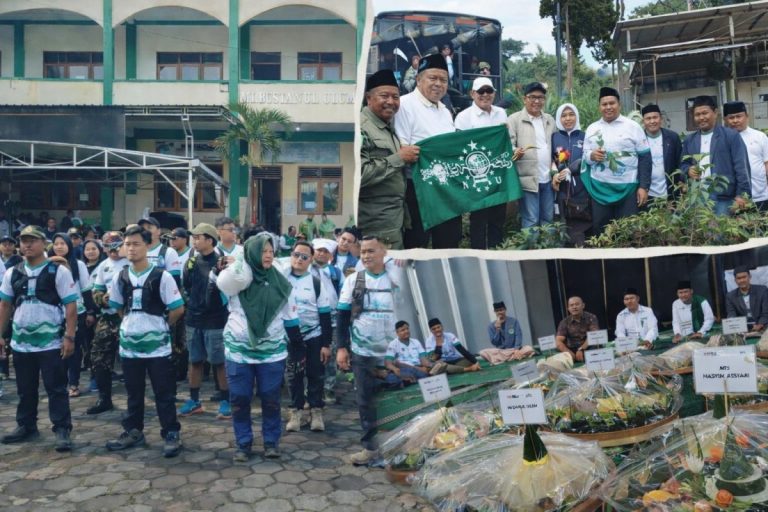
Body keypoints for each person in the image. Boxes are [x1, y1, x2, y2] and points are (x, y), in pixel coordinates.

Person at [215, 232, 304, 462]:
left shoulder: (281, 284)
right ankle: (243, 444)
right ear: (252, 253)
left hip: (271, 353)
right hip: (238, 352)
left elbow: (291, 319)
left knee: (271, 397)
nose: (267, 255)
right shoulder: (237, 281)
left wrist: (298, 349)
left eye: (271, 251)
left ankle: (271, 442)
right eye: (263, 251)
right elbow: (218, 293)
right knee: (240, 397)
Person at [104, 225, 184, 458]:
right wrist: (132, 326)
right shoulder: (122, 276)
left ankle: (170, 432)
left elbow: (177, 309)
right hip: (130, 347)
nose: (130, 248)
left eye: (136, 243)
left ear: (148, 246)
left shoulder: (162, 276)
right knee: (133, 392)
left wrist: (159, 326)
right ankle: (133, 430)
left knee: (164, 392)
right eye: (127, 244)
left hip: (157, 347)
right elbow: (118, 307)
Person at [0, 225, 78, 451]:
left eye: (33, 240)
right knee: (25, 387)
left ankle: (62, 428)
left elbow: (70, 305)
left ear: (44, 243)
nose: (27, 245)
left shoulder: (58, 271)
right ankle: (26, 425)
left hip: (51, 341)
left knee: (56, 387)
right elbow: (5, 305)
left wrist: (70, 336)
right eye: (23, 241)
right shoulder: (12, 272)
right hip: (22, 342)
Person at [336, 235, 400, 465]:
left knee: (395, 397)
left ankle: (398, 448)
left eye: (371, 251)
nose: (366, 255)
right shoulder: (354, 280)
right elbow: (342, 316)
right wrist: (341, 348)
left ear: (385, 252)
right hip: (362, 352)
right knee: (365, 400)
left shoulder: (397, 278)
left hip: (394, 353)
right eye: (363, 251)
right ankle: (371, 450)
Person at [394, 54, 458, 248]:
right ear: (419, 79)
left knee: (448, 242)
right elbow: (404, 148)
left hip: (445, 188)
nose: (438, 84)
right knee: (416, 243)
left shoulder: (445, 111)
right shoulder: (404, 105)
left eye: (443, 80)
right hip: (417, 188)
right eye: (433, 78)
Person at [360, 69, 420, 249]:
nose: (391, 102)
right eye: (384, 96)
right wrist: (399, 158)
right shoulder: (362, 128)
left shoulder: (386, 127)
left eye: (396, 97)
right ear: (368, 98)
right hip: (375, 229)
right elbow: (359, 175)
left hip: (395, 223)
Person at [178, 223, 231, 419]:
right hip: (194, 319)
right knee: (195, 360)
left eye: (198, 237)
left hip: (216, 320)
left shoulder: (222, 263)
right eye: (194, 237)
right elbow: (186, 288)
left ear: (210, 240)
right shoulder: (190, 263)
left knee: (219, 362)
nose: (194, 241)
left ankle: (226, 401)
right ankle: (194, 401)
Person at [582, 87, 652, 235]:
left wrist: (644, 187)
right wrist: (592, 156)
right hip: (599, 190)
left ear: (619, 105)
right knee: (602, 233)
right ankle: (605, 259)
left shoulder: (633, 127)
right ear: (599, 107)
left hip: (628, 190)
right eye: (604, 104)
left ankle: (628, 259)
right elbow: (585, 156)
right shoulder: (591, 129)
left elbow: (645, 158)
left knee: (628, 232)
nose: (608, 107)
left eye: (612, 103)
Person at [284, 240, 333, 432]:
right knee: (293, 375)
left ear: (311, 260)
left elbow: (325, 315)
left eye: (304, 257)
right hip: (290, 338)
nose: (299, 259)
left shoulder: (316, 283)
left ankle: (316, 412)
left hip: (313, 335)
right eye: (296, 255)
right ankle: (296, 412)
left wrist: (326, 344)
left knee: (315, 374)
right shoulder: (282, 279)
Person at [454, 77, 509, 249]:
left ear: (494, 93)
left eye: (489, 91)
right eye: (481, 91)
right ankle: (478, 256)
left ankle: (496, 253)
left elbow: (504, 140)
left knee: (497, 219)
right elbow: (459, 147)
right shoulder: (463, 117)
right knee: (478, 220)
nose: (485, 95)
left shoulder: (501, 113)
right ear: (472, 94)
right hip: (476, 177)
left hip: (498, 176)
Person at [681, 96, 750, 215]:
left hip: (724, 198)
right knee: (700, 233)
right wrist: (688, 170)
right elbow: (683, 164)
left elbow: (742, 168)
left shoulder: (730, 136)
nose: (701, 117)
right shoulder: (690, 140)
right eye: (697, 114)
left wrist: (742, 195)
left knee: (721, 233)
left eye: (705, 113)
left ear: (715, 113)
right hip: (698, 197)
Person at [87, 231, 129, 414]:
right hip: (107, 317)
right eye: (109, 248)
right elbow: (95, 292)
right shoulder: (103, 266)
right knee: (99, 358)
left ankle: (135, 399)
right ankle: (104, 398)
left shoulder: (130, 263)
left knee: (130, 360)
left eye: (117, 246)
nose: (114, 251)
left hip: (127, 317)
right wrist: (103, 299)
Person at [50, 233, 95, 398]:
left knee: (74, 350)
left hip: (77, 311)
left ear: (69, 245)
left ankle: (73, 383)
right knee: (56, 349)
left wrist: (91, 311)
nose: (59, 246)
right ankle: (59, 383)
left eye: (63, 243)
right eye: (56, 243)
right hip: (54, 313)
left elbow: (86, 290)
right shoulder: (48, 265)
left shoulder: (79, 265)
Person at [507, 82, 557, 228]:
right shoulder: (514, 119)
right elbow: (508, 144)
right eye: (532, 97)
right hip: (528, 179)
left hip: (548, 178)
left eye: (540, 98)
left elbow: (555, 146)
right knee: (531, 219)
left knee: (548, 218)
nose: (536, 101)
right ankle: (530, 249)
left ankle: (547, 248)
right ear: (524, 99)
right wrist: (514, 150)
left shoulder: (549, 120)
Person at [551, 103, 590, 246]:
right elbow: (551, 160)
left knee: (581, 225)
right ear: (558, 119)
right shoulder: (554, 137)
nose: (568, 118)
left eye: (571, 114)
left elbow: (588, 160)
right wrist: (554, 174)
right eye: (564, 115)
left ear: (577, 116)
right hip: (561, 190)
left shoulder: (584, 136)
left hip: (581, 189)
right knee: (563, 226)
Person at [312, 238, 343, 404]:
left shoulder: (336, 273)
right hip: (310, 319)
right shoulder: (305, 269)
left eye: (325, 251)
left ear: (330, 255)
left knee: (330, 356)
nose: (322, 254)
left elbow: (344, 293)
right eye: (319, 250)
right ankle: (310, 388)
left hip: (331, 321)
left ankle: (328, 388)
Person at [723, 101, 768, 211]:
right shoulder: (722, 140)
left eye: (739, 116)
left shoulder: (760, 136)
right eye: (731, 117)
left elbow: (766, 163)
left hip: (761, 196)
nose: (735, 120)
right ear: (725, 120)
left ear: (747, 116)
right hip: (734, 200)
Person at [641, 104, 683, 202]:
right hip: (647, 194)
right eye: (648, 118)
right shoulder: (639, 139)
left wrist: (682, 181)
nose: (652, 121)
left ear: (661, 118)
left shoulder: (672, 138)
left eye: (655, 117)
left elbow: (680, 162)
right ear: (643, 121)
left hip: (670, 192)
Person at [383, 321, 432, 386]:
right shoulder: (393, 344)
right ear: (397, 333)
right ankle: (408, 380)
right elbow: (388, 363)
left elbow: (423, 359)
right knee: (393, 379)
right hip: (404, 369)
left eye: (407, 329)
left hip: (418, 367)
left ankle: (408, 381)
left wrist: (427, 366)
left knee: (426, 372)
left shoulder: (415, 342)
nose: (406, 331)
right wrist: (394, 369)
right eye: (403, 330)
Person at [554, 296, 599, 361]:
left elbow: (594, 335)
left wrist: (581, 349)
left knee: (596, 346)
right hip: (571, 349)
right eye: (571, 305)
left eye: (577, 304)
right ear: (568, 308)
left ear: (583, 305)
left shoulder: (591, 317)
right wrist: (568, 352)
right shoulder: (564, 322)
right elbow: (558, 341)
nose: (574, 307)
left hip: (587, 347)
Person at [726, 265, 768, 333]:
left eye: (744, 277)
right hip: (743, 330)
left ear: (749, 277)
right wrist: (732, 323)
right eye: (739, 278)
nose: (742, 280)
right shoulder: (730, 296)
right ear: (735, 280)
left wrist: (760, 325)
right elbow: (731, 313)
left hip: (763, 327)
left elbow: (766, 312)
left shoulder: (762, 290)